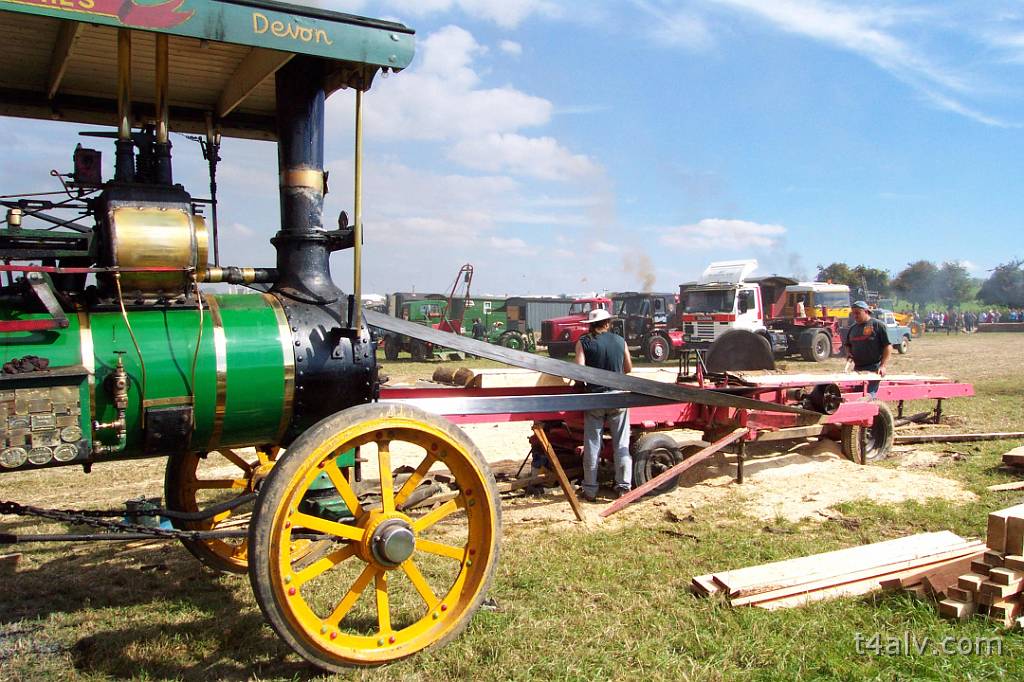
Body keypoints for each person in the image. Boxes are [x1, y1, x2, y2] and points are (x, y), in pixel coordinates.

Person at [574, 308, 633, 501]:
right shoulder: (620, 341)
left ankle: (590, 489)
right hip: (618, 398)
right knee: (621, 444)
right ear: (607, 323)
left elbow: (579, 371)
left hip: (595, 399)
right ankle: (623, 487)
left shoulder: (583, 342)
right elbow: (628, 368)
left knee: (592, 445)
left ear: (591, 324)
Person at [844, 300, 891, 398]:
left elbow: (888, 346)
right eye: (853, 314)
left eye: (858, 313)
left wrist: (883, 366)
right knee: (855, 396)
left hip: (873, 369)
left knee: (867, 396)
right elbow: (848, 345)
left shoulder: (878, 325)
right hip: (857, 370)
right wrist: (848, 353)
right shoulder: (852, 329)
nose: (855, 316)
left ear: (866, 311)